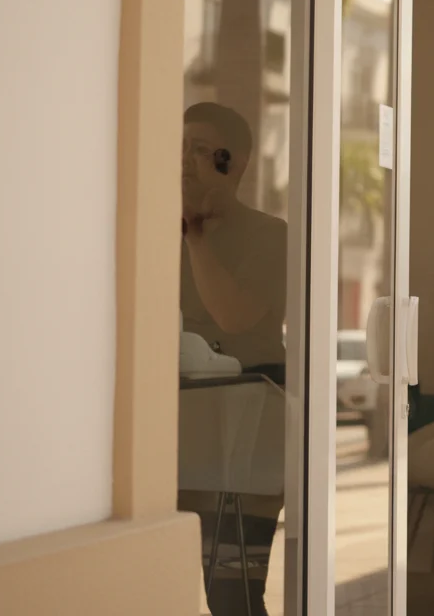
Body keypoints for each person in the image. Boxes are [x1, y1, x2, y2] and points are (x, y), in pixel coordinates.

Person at [178, 102, 287, 616]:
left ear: (235, 162)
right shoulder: (154, 232)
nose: (185, 162)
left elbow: (234, 317)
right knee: (178, 576)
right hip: (184, 420)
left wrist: (195, 235)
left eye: (202, 151)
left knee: (234, 590)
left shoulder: (271, 235)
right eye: (180, 148)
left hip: (253, 420)